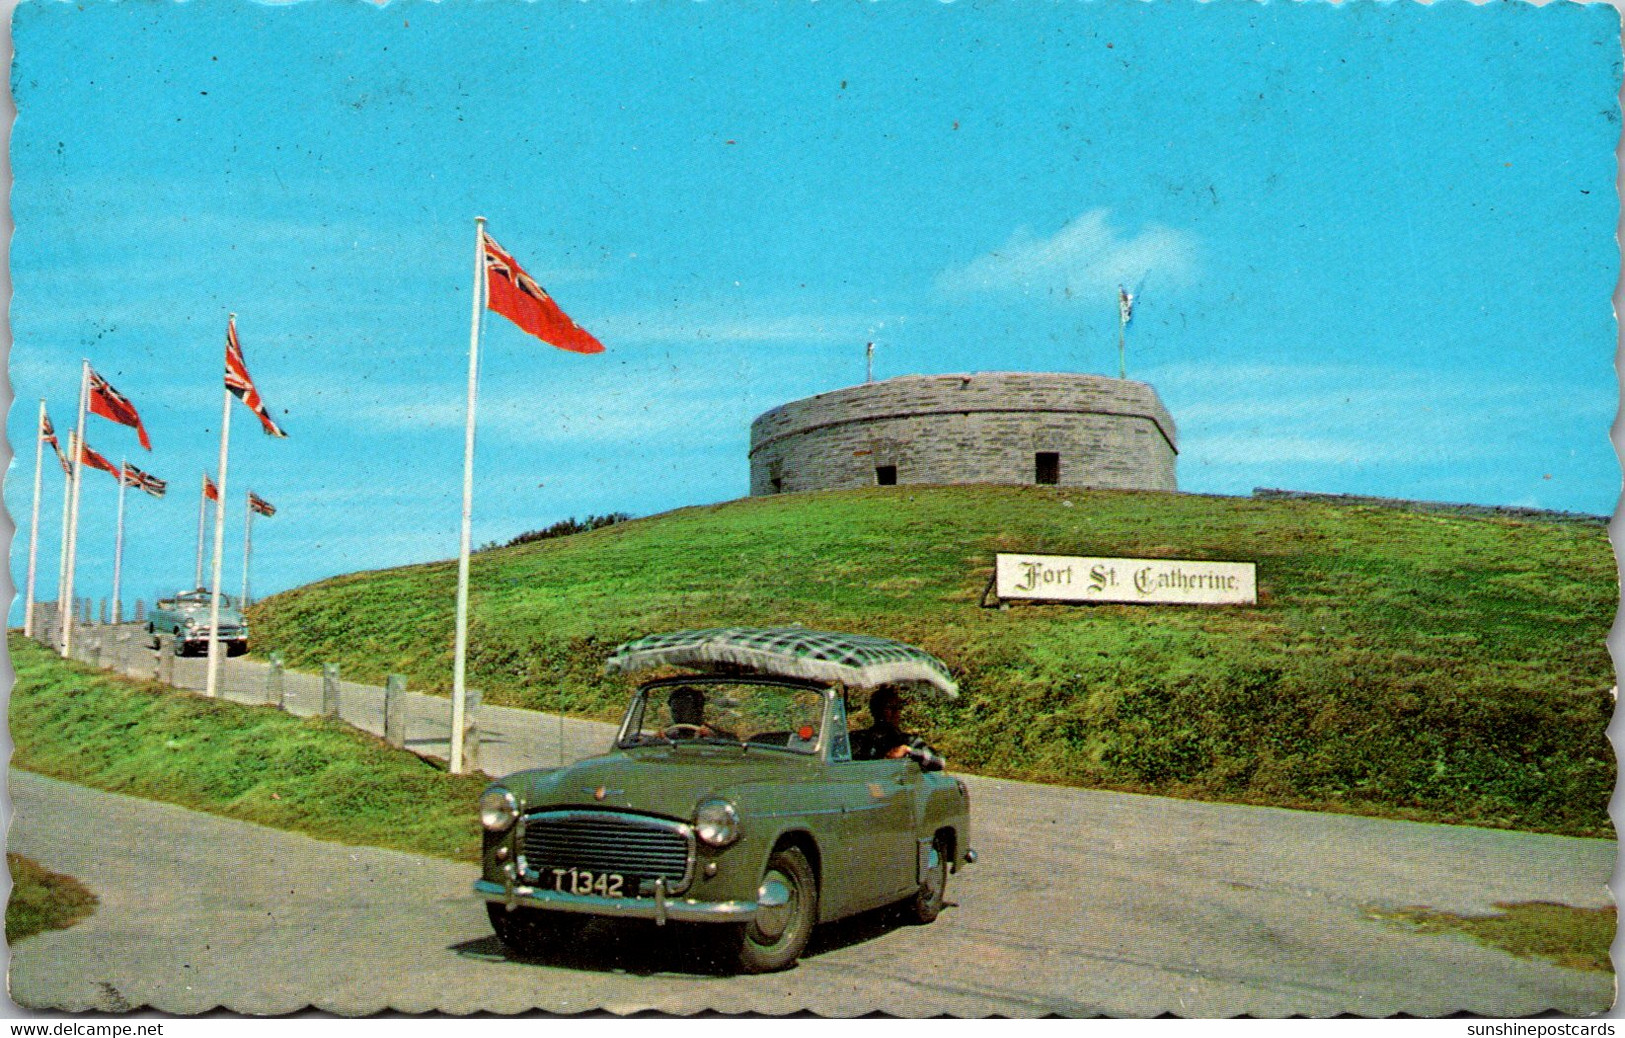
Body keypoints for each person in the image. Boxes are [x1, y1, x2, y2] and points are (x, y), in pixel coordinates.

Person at [849, 687, 944, 770]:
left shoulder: (907, 741)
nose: (895, 713)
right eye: (890, 708)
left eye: (898, 708)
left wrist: (909, 751)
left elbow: (939, 762)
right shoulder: (858, 739)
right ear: (876, 710)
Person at [663, 686, 735, 741]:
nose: (678, 715)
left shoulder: (721, 737)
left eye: (683, 710)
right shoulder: (669, 737)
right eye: (675, 711)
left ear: (698, 710)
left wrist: (713, 740)